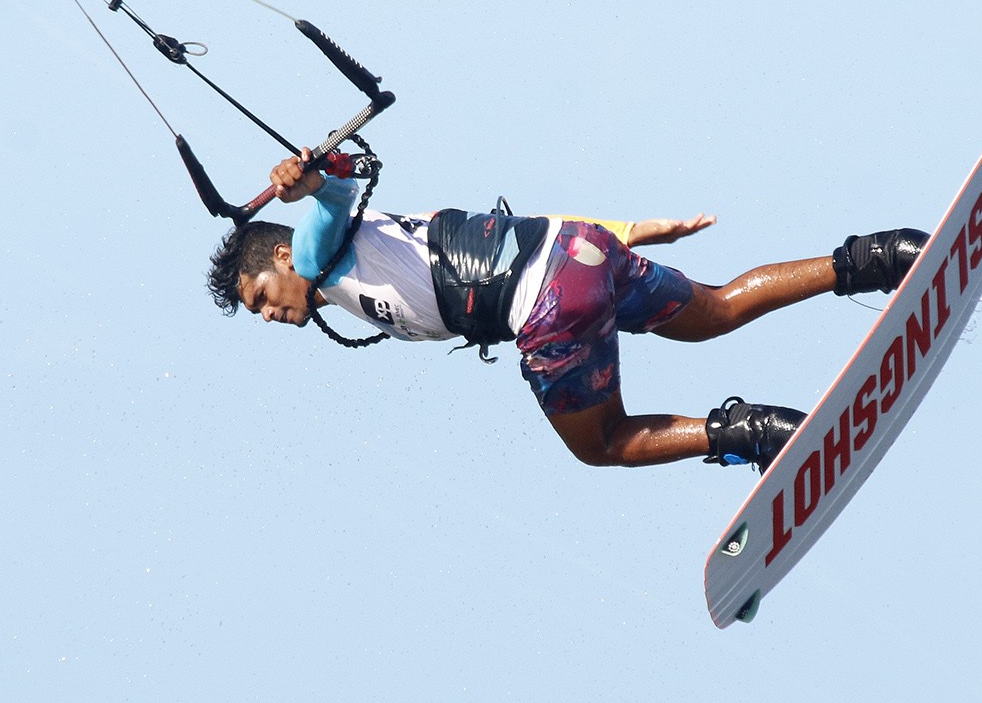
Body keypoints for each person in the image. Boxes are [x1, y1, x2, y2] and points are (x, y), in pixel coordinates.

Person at [206, 149, 927, 473]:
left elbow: (333, 191)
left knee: (600, 444)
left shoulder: (309, 253)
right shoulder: (367, 247)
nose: (270, 314)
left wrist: (304, 181)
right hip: (576, 252)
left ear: (274, 263)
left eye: (260, 300)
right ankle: (881, 257)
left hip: (544, 306)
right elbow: (521, 232)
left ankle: (754, 432)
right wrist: (625, 231)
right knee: (714, 310)